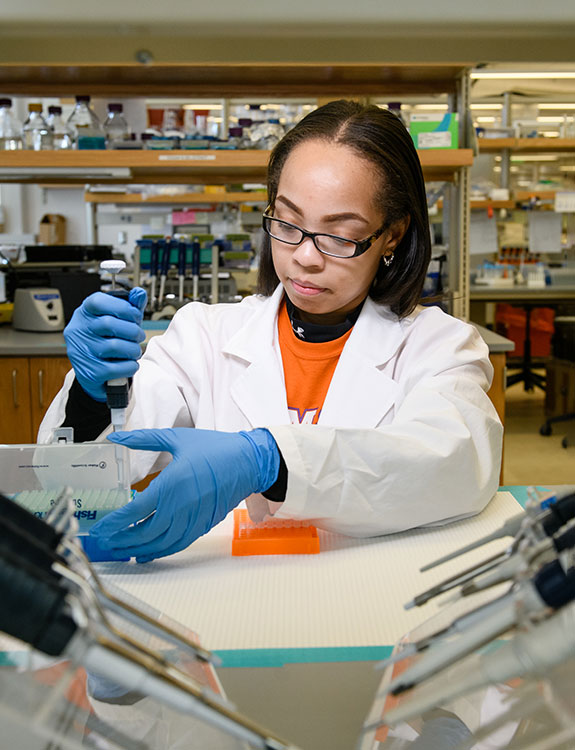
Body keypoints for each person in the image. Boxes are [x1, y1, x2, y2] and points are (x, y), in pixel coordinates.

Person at [39, 100, 502, 563]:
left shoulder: (439, 346)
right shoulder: (204, 336)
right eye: (288, 222)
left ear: (393, 234)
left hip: (368, 591)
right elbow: (79, 479)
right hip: (231, 593)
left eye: (339, 235)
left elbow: (455, 466)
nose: (305, 256)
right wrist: (91, 394)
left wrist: (270, 460)